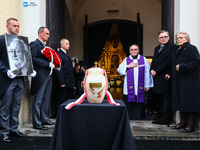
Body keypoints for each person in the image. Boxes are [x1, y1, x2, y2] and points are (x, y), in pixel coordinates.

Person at [0, 18, 35, 143]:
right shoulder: (1, 39)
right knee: (5, 107)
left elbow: (25, 57)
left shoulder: (22, 41)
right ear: (7, 26)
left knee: (16, 106)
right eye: (14, 26)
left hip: (20, 79)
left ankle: (14, 129)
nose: (17, 28)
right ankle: (4, 132)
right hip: (7, 80)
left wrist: (30, 70)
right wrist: (6, 70)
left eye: (18, 26)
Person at [170, 32, 200, 133]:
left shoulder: (191, 48)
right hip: (180, 80)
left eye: (181, 38)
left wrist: (182, 67)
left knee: (189, 103)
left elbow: (196, 62)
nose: (178, 40)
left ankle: (190, 125)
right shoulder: (177, 49)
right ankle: (182, 122)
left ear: (187, 38)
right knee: (182, 102)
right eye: (177, 38)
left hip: (189, 81)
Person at [117, 44, 153, 120]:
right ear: (129, 51)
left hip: (140, 85)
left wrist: (147, 85)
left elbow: (147, 73)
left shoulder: (143, 59)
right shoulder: (126, 60)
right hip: (129, 86)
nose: (134, 51)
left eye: (135, 49)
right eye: (132, 49)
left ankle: (138, 116)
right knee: (129, 100)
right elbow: (120, 70)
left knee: (139, 100)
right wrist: (128, 66)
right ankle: (128, 116)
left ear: (138, 51)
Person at [30, 27, 55, 130]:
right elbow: (33, 58)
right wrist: (47, 64)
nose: (48, 36)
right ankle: (37, 123)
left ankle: (44, 118)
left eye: (48, 34)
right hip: (40, 76)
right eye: (46, 34)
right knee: (38, 100)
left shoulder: (46, 46)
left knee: (46, 99)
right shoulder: (34, 44)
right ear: (40, 33)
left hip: (48, 75)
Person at [150, 30, 174, 125]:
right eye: (161, 37)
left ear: (168, 37)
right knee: (157, 97)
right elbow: (154, 60)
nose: (163, 38)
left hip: (164, 76)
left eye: (165, 37)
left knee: (166, 98)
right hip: (156, 77)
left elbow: (168, 62)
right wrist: (151, 69)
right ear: (158, 39)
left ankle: (166, 118)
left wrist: (156, 70)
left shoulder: (172, 47)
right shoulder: (157, 48)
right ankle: (159, 116)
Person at [54, 38, 75, 113]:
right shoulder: (59, 54)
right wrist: (61, 82)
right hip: (64, 82)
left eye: (68, 44)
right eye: (67, 44)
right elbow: (59, 69)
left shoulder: (65, 54)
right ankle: (59, 115)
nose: (69, 45)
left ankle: (65, 115)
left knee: (67, 100)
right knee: (61, 100)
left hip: (68, 82)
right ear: (62, 45)